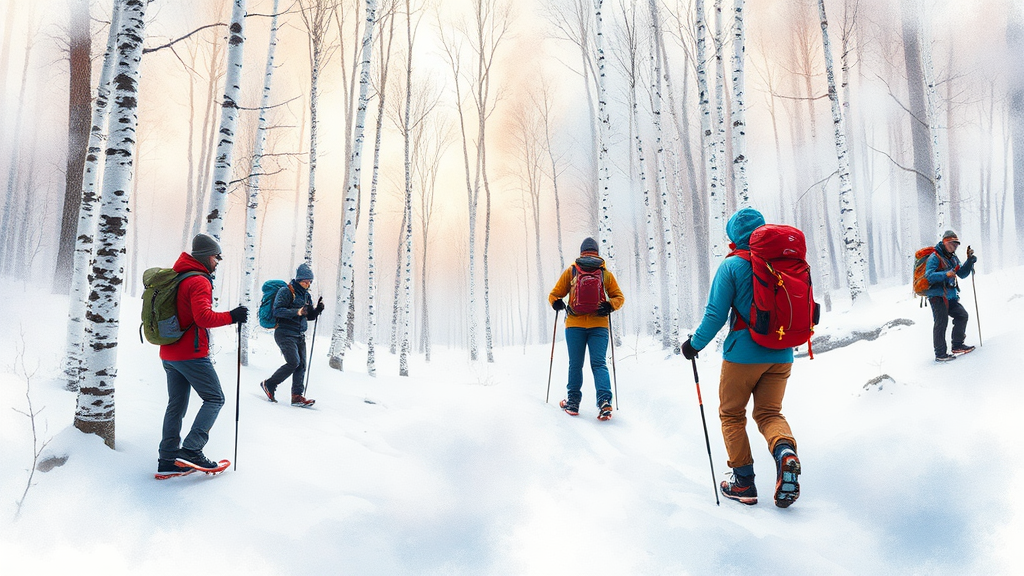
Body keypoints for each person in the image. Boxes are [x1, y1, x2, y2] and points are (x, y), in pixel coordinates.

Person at [680, 207, 800, 508]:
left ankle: (743, 483)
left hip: (743, 356)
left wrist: (694, 345)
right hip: (783, 352)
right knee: (770, 414)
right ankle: (785, 452)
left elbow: (715, 314)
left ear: (734, 236)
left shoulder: (732, 265)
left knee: (732, 415)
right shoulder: (784, 261)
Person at [158, 234, 248, 476]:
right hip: (191, 353)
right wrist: (233, 316)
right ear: (206, 256)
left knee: (176, 405)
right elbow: (202, 318)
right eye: (216, 257)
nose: (218, 261)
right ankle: (191, 450)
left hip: (169, 353)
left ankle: (167, 459)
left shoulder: (178, 276)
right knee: (215, 398)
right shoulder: (199, 281)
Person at [548, 237, 625, 420]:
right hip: (599, 325)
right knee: (599, 364)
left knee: (575, 364)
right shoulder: (605, 274)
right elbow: (619, 297)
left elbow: (554, 295)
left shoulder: (572, 271)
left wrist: (557, 303)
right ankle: (605, 401)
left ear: (581, 251)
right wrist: (609, 305)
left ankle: (573, 403)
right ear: (596, 252)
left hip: (574, 325)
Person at [259, 263, 323, 407]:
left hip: (299, 334)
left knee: (301, 365)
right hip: (284, 333)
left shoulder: (306, 295)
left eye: (310, 282)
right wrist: (298, 311)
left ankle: (297, 396)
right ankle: (269, 384)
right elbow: (278, 311)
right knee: (294, 362)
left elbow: (309, 316)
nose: (308, 284)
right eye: (305, 281)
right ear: (298, 279)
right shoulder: (286, 291)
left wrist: (317, 310)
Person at [925, 230, 977, 362]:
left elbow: (962, 274)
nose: (954, 246)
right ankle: (940, 354)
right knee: (941, 323)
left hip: (950, 295)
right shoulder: (935, 257)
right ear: (945, 242)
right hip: (937, 295)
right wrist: (945, 274)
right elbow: (929, 276)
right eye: (952, 243)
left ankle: (957, 345)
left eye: (956, 244)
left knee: (962, 315)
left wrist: (969, 262)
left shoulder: (953, 258)